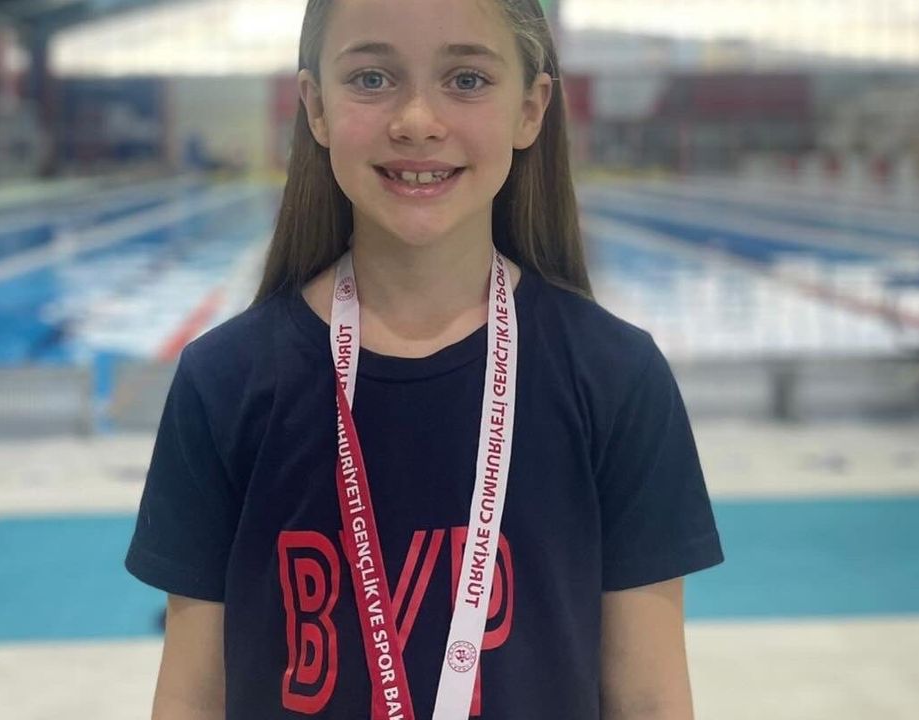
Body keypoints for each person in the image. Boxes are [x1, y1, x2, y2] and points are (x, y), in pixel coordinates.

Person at [125, 1, 724, 718]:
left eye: (466, 80)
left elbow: (651, 699)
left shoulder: (616, 378)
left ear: (530, 109)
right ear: (315, 106)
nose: (417, 121)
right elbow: (191, 698)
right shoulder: (223, 381)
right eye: (372, 78)